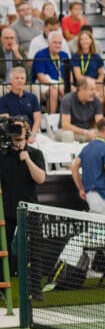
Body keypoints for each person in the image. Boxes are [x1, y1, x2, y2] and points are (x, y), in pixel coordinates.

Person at [0, 118, 44, 295]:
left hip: (29, 210)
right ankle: (2, 287)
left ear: (26, 134)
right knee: (3, 250)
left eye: (20, 138)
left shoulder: (35, 154)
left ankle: (35, 289)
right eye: (14, 138)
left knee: (34, 251)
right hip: (6, 211)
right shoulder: (2, 156)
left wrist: (27, 160)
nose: (18, 142)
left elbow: (40, 179)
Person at [69, 117, 105, 215]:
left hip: (90, 195)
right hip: (102, 194)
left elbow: (74, 167)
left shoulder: (86, 148)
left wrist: (81, 188)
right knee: (100, 226)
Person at [58, 76, 101, 141]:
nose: (94, 92)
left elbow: (100, 122)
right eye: (91, 89)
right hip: (69, 131)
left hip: (88, 131)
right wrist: (85, 132)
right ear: (81, 89)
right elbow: (65, 126)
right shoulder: (68, 99)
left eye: (94, 89)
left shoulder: (95, 100)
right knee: (68, 135)